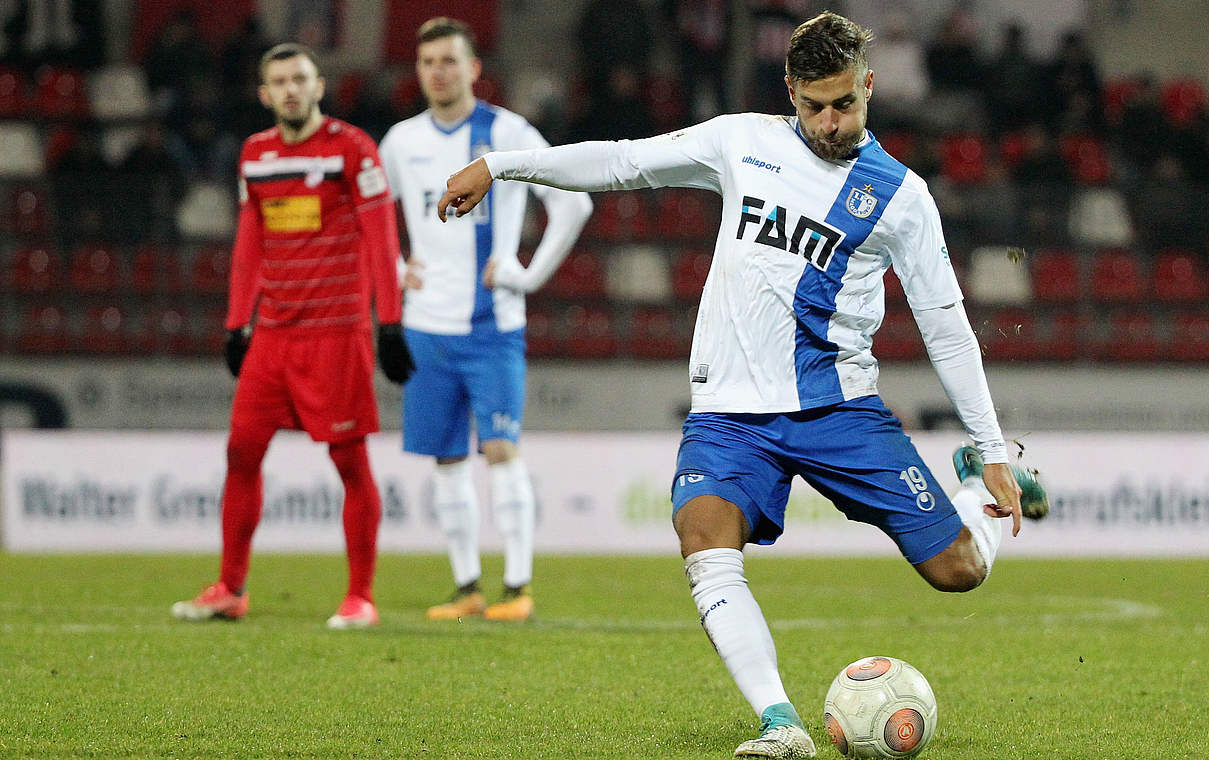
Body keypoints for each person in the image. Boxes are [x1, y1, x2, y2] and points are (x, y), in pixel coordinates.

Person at [437, 12, 1047, 757]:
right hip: (728, 411)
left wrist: (986, 445)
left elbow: (944, 324)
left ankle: (978, 489)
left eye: (845, 104)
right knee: (702, 537)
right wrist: (501, 167)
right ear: (789, 90)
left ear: (870, 87)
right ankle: (780, 722)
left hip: (836, 406)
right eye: (814, 105)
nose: (829, 122)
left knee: (959, 571)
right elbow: (624, 162)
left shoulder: (901, 197)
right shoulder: (741, 141)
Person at [172, 43, 413, 630]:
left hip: (337, 332)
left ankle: (361, 596)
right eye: (278, 81)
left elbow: (383, 237)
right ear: (264, 93)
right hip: (275, 336)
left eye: (300, 79)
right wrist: (237, 323)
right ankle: (230, 587)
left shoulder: (354, 150)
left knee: (349, 461)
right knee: (241, 452)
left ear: (319, 86)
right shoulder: (255, 155)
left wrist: (389, 321)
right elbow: (250, 239)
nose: (290, 90)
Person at [378, 18, 592, 623]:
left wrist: (528, 274)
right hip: (424, 325)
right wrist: (393, 268)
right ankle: (467, 586)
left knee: (500, 448)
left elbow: (573, 200)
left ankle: (517, 588)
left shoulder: (507, 132)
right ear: (417, 72)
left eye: (450, 60)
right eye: (428, 62)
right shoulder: (400, 142)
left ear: (474, 68)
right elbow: (364, 213)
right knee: (446, 460)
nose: (438, 71)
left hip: (490, 322)